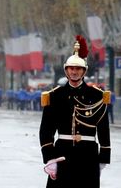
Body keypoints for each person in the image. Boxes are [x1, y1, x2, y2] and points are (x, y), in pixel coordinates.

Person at [39, 35, 110, 188]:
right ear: (66, 70)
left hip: (88, 156)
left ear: (84, 71)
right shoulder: (54, 96)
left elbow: (104, 129)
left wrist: (103, 157)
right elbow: (46, 130)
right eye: (71, 68)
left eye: (78, 69)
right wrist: (50, 158)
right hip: (62, 155)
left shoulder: (97, 95)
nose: (74, 72)